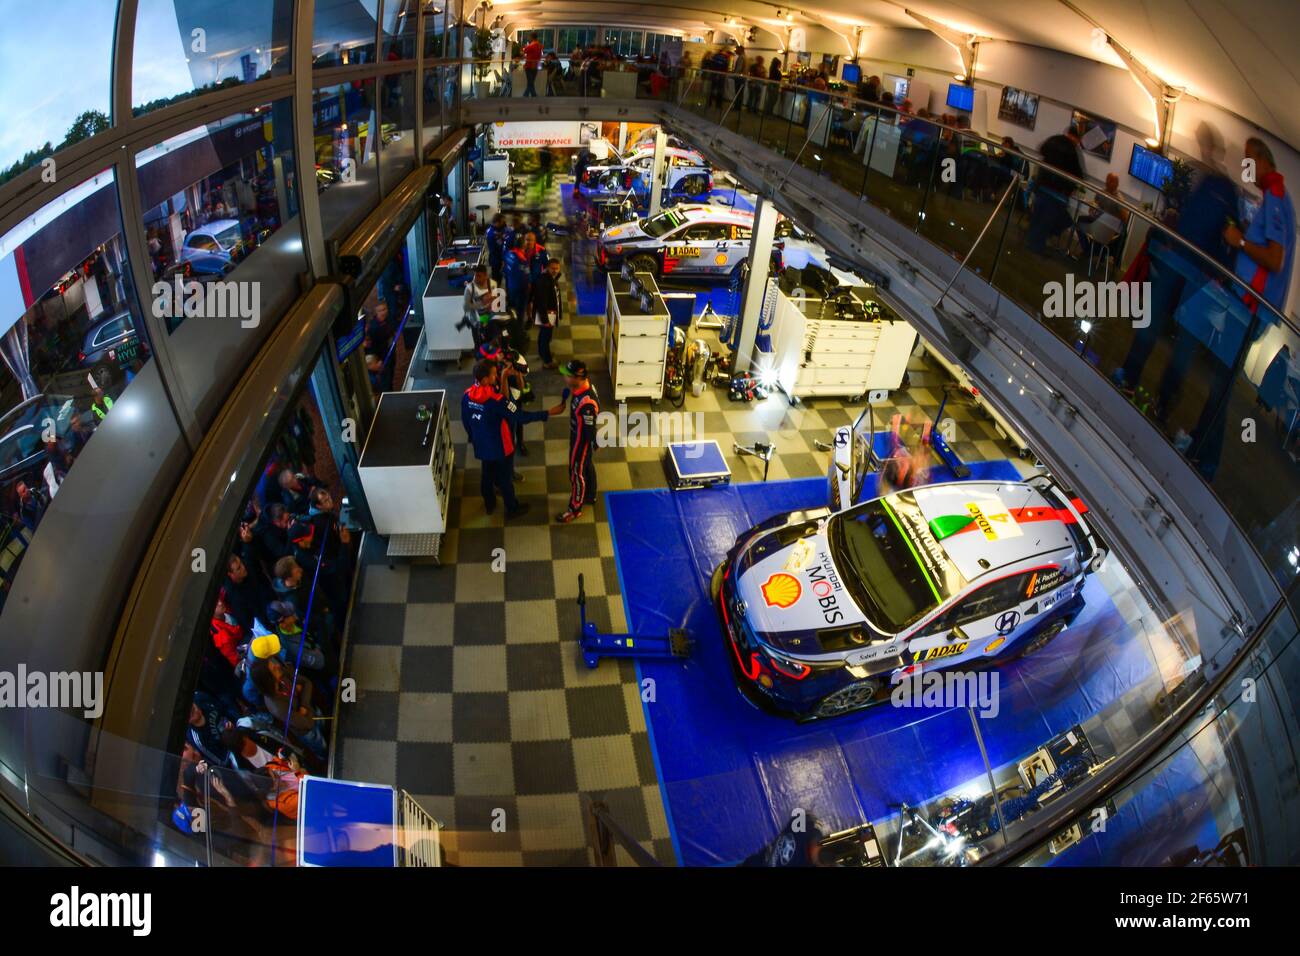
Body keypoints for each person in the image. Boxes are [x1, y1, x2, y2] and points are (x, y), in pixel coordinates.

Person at [462, 359, 548, 518]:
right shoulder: (496, 401)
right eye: (494, 375)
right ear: (485, 379)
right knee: (505, 478)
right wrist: (545, 414)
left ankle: (490, 503)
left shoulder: (467, 396)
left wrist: (474, 439)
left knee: (486, 474)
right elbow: (519, 416)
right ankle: (512, 508)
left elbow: (466, 422)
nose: (495, 377)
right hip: (502, 446)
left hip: (481, 445)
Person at [1026, 126, 1084, 255]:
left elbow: (1042, 150)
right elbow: (1078, 175)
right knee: (1051, 220)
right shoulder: (1072, 150)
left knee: (1038, 217)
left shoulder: (1053, 140)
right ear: (1075, 137)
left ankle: (1030, 244)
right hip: (1057, 193)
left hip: (1042, 186)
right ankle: (1036, 249)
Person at [555, 360, 599, 523]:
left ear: (577, 377)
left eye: (567, 375)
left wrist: (593, 443)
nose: (564, 377)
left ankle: (575, 509)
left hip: (581, 442)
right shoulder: (581, 387)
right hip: (578, 437)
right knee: (586, 465)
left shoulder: (586, 402)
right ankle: (590, 495)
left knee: (576, 473)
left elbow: (589, 429)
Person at [532, 258, 564, 369]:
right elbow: (541, 302)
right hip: (547, 315)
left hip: (551, 314)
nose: (555, 271)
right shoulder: (544, 282)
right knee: (546, 337)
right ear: (547, 268)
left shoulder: (552, 278)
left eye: (557, 268)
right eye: (552, 268)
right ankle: (547, 361)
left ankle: (542, 353)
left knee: (543, 335)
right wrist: (545, 320)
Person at [485, 213, 508, 282]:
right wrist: (502, 259)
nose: (504, 223)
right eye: (502, 222)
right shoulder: (491, 234)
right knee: (496, 276)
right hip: (496, 259)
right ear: (497, 222)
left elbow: (505, 230)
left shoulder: (500, 228)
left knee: (500, 275)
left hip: (501, 256)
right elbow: (493, 250)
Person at [522, 33, 544, 97]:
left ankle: (529, 96)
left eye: (529, 37)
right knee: (531, 83)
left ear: (531, 37)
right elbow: (539, 56)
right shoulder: (540, 45)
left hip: (529, 66)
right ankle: (530, 95)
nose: (529, 38)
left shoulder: (530, 46)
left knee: (530, 83)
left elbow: (524, 51)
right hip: (536, 66)